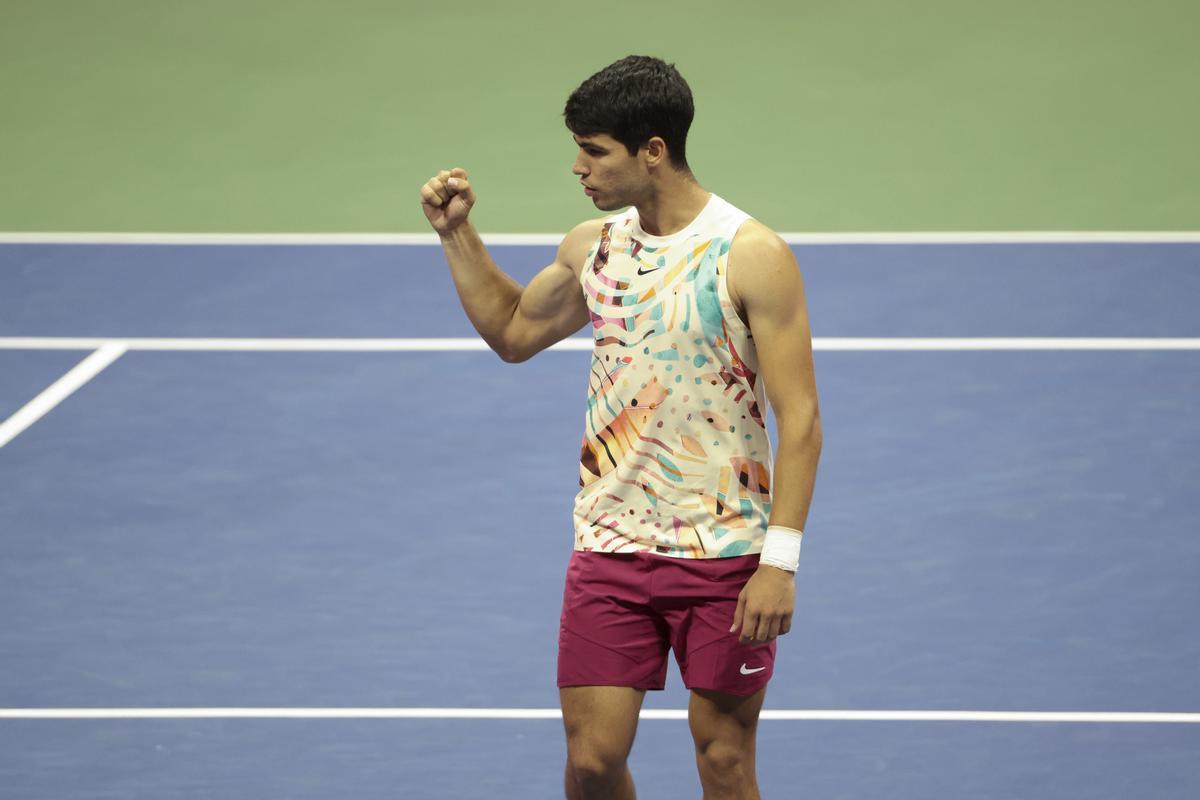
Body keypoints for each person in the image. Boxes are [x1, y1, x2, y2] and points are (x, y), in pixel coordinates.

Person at [420, 55, 821, 800]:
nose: (579, 167)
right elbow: (512, 331)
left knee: (725, 759)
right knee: (593, 761)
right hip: (611, 545)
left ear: (654, 151)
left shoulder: (751, 255)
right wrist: (457, 236)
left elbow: (801, 419)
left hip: (724, 553)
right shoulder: (594, 246)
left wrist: (779, 563)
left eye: (595, 150)